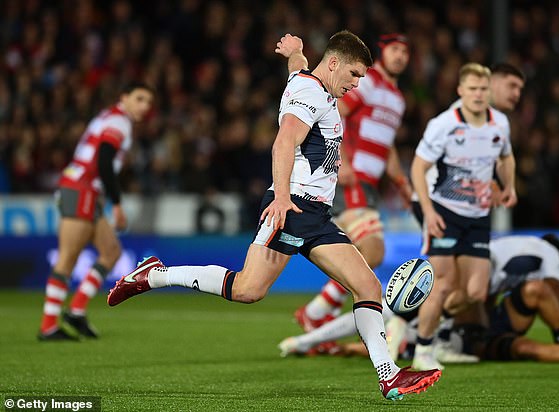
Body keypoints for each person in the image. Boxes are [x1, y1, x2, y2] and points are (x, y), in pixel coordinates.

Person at [107, 31, 441, 401]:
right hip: (292, 208)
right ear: (334, 64)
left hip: (316, 215)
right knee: (248, 289)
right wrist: (281, 196)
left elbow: (298, 67)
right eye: (354, 74)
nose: (357, 83)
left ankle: (389, 377)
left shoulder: (307, 81)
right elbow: (283, 141)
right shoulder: (311, 94)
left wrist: (295, 52)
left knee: (368, 287)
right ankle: (155, 275)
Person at [279, 234, 559, 365]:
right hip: (468, 336)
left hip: (468, 330)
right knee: (522, 347)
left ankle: (308, 339)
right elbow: (549, 290)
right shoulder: (547, 256)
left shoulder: (516, 259)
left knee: (389, 318)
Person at [277, 33, 412, 333]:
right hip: (352, 178)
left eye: (405, 51)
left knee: (357, 250)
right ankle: (318, 312)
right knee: (372, 250)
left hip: (369, 183)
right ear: (383, 51)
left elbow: (385, 144)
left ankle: (318, 312)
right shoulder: (369, 81)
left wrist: (401, 182)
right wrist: (345, 160)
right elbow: (341, 113)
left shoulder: (398, 98)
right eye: (394, 50)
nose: (400, 56)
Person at [409, 62, 517, 370]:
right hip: (444, 211)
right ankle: (423, 351)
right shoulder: (443, 124)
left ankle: (423, 328)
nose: (478, 95)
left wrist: (509, 185)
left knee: (475, 292)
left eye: (483, 89)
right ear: (460, 91)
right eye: (472, 89)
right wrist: (428, 212)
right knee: (441, 284)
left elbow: (506, 156)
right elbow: (418, 168)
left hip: (479, 215)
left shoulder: (500, 123)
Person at [37, 82, 154, 341]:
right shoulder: (119, 121)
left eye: (148, 102)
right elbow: (103, 160)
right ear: (124, 97)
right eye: (140, 99)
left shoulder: (111, 117)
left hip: (86, 190)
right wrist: (118, 203)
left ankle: (76, 312)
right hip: (81, 188)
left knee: (111, 252)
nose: (145, 106)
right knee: (68, 257)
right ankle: (48, 326)